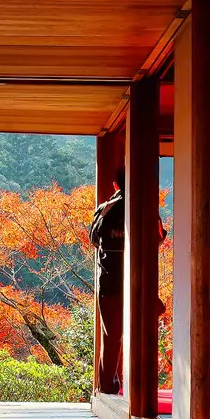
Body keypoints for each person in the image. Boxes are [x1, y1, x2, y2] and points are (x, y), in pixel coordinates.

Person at [88, 169, 126, 394]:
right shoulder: (144, 206)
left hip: (109, 279)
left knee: (111, 335)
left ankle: (107, 388)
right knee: (139, 334)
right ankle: (136, 387)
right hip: (137, 280)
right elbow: (158, 237)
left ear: (115, 184)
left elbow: (93, 240)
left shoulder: (105, 209)